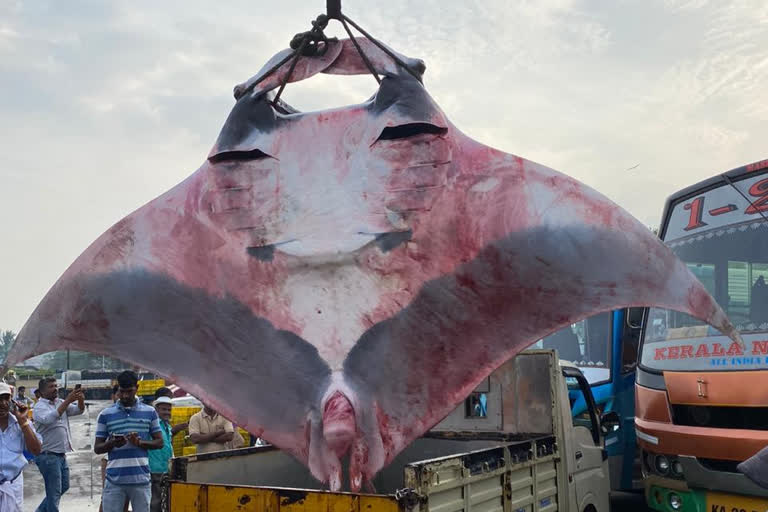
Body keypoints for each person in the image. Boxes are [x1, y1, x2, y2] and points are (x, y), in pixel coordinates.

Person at [95, 371, 163, 512]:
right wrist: (112, 443)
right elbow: (97, 448)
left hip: (141, 480)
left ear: (137, 387)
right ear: (118, 388)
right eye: (122, 391)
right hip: (114, 481)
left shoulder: (150, 412)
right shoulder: (105, 415)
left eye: (129, 391)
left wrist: (140, 443)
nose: (125, 396)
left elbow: (159, 442)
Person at [32, 377, 84, 512]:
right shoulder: (39, 407)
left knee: (63, 486)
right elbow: (49, 419)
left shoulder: (60, 402)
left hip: (61, 455)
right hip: (47, 455)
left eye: (56, 385)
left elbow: (79, 410)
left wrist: (80, 398)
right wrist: (67, 401)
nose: (55, 388)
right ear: (42, 391)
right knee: (54, 493)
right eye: (51, 386)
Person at [0, 381, 42, 511]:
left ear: (11, 400)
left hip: (13, 485)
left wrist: (23, 421)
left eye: (6, 398)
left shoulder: (20, 423)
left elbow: (36, 450)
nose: (2, 404)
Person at [148, 397, 174, 512]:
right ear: (157, 409)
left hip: (166, 468)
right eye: (164, 409)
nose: (167, 412)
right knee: (155, 502)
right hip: (154, 468)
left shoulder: (167, 426)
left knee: (165, 501)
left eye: (169, 410)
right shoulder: (152, 424)